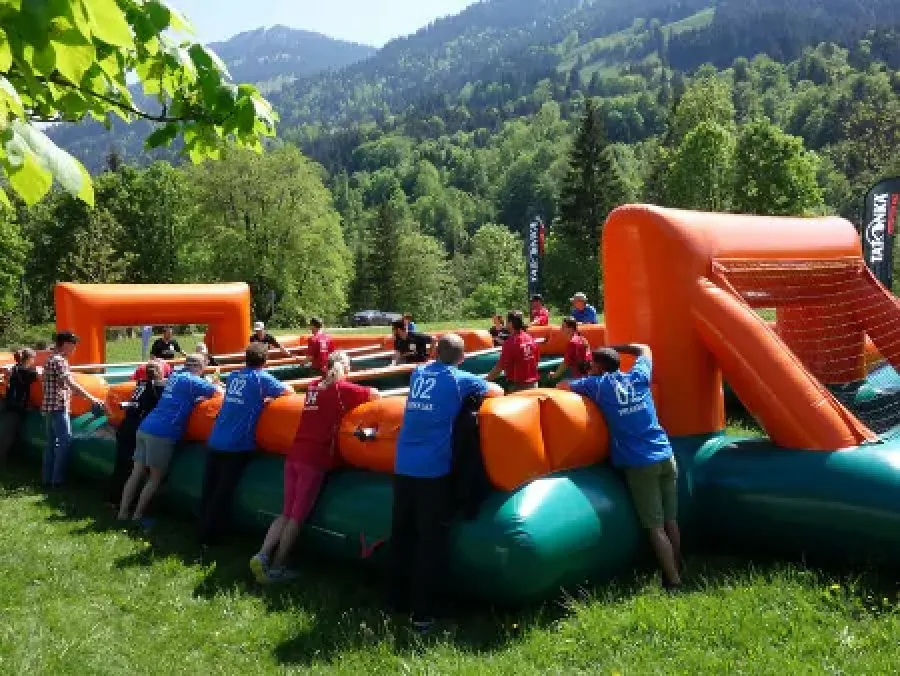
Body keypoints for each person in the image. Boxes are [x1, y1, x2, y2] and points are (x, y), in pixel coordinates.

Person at [390, 334, 504, 631]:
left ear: (434, 352)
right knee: (431, 542)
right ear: (462, 357)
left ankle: (397, 601)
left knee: (403, 534)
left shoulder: (418, 373)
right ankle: (424, 614)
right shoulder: (459, 379)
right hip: (432, 471)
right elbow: (498, 390)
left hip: (403, 466)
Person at [558, 344, 682, 590]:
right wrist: (616, 348)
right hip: (665, 454)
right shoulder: (638, 376)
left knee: (655, 527)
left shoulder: (598, 385)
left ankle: (673, 581)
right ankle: (678, 565)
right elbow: (644, 349)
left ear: (598, 367)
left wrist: (588, 374)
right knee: (671, 520)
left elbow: (562, 386)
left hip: (640, 463)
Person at [250, 351, 380, 583]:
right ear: (345, 368)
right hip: (314, 459)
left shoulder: (312, 387)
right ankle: (278, 566)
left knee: (285, 512)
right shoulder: (341, 389)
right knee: (296, 518)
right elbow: (375, 394)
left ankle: (262, 554)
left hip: (295, 454)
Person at [199, 342, 292, 545]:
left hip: (216, 438)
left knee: (210, 486)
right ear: (264, 361)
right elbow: (288, 391)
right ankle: (211, 536)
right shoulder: (261, 378)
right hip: (236, 444)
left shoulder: (234, 376)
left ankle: (202, 529)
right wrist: (266, 400)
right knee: (223, 491)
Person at [118, 354, 220, 528]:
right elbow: (217, 392)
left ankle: (122, 513)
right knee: (155, 478)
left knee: (136, 472)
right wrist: (213, 384)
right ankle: (137, 517)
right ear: (200, 367)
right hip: (163, 432)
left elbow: (181, 396)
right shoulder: (192, 380)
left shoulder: (175, 376)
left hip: (146, 426)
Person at [42, 332, 107, 489]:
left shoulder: (50, 358)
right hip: (58, 407)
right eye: (73, 346)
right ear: (65, 344)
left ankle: (46, 479)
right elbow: (70, 382)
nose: (74, 349)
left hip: (49, 406)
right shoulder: (60, 361)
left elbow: (61, 384)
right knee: (64, 442)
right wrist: (92, 398)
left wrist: (77, 393)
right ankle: (57, 481)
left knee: (51, 443)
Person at [109, 360, 166, 505]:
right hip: (138, 426)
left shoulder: (141, 383)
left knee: (122, 464)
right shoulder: (158, 387)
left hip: (126, 425)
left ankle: (114, 498)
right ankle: (125, 501)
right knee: (133, 468)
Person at [1, 348, 40, 465]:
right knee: (8, 434)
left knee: (9, 432)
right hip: (17, 406)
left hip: (11, 403)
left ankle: (7, 458)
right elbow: (39, 375)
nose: (34, 361)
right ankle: (2, 460)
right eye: (33, 358)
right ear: (28, 359)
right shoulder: (26, 372)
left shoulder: (14, 368)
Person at [485, 311, 540, 392]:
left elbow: (499, 368)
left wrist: (484, 382)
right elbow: (536, 361)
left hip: (518, 388)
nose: (505, 323)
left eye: (507, 321)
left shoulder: (510, 343)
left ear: (510, 323)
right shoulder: (530, 339)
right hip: (534, 385)